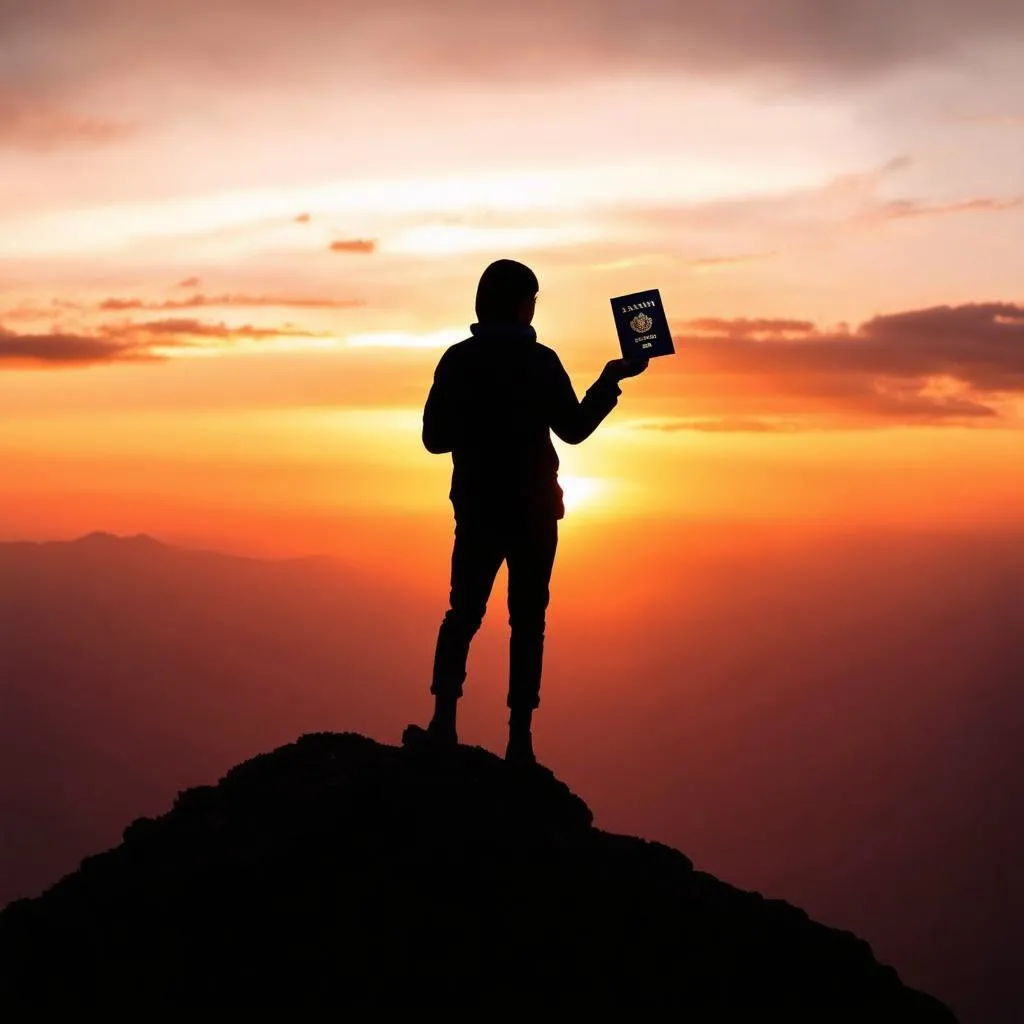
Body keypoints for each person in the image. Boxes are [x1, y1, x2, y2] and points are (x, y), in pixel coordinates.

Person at [421, 259, 648, 764]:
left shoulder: (459, 361)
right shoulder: (541, 361)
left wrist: (477, 423)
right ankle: (519, 742)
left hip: (478, 509)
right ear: (524, 305)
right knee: (528, 624)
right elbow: (573, 429)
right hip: (534, 513)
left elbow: (434, 439)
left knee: (463, 613)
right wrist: (612, 379)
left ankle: (443, 723)